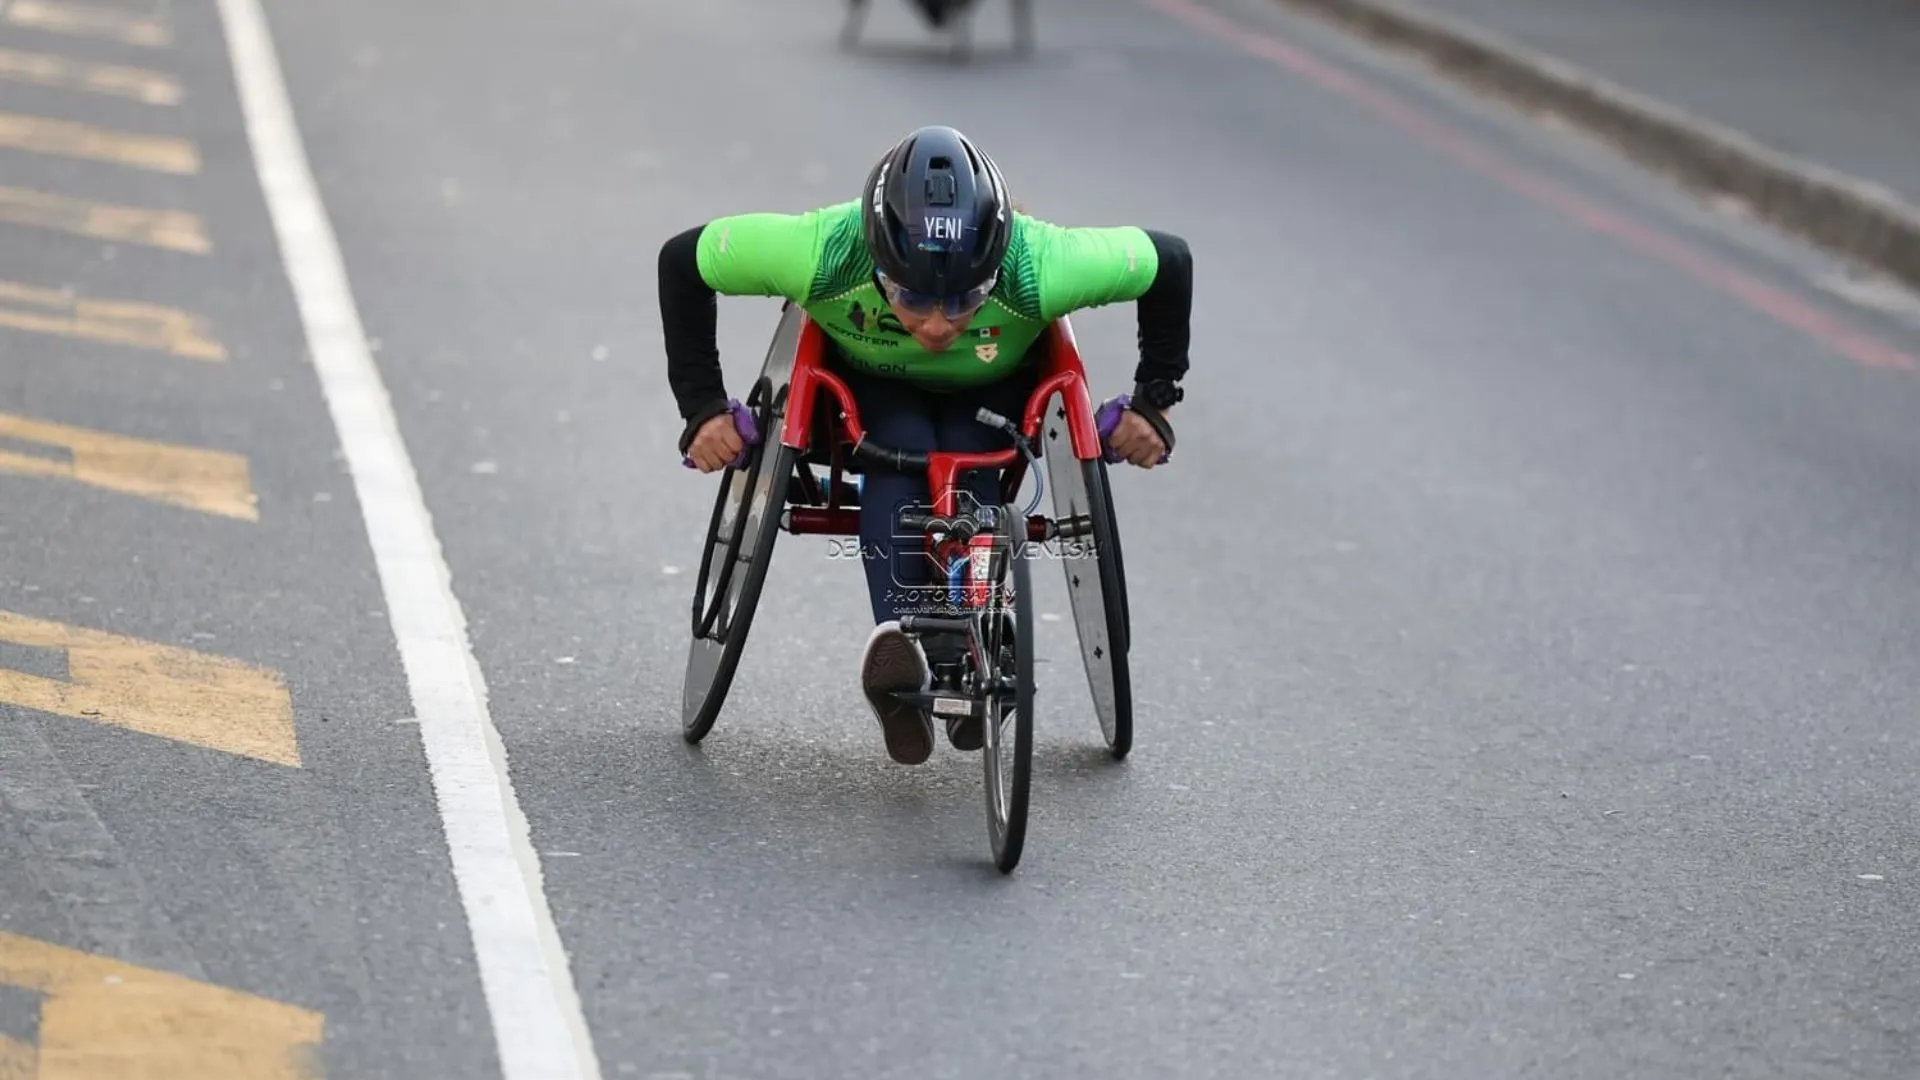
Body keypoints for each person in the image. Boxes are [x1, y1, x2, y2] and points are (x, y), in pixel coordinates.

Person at [658, 125, 1190, 766]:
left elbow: (1170, 261)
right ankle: (907, 649)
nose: (937, 326)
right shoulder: (821, 251)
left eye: (966, 300)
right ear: (877, 261)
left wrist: (1153, 402)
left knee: (970, 460)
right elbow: (682, 262)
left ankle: (972, 643)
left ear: (995, 269)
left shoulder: (1039, 263)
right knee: (901, 449)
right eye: (911, 298)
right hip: (872, 389)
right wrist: (703, 410)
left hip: (991, 392)